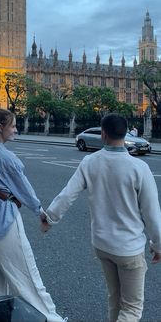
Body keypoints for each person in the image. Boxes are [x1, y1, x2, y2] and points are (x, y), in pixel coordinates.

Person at [41, 113, 161, 322]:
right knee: (132, 309)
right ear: (126, 134)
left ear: (103, 134)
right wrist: (158, 245)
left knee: (115, 300)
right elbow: (151, 213)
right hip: (128, 248)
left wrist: (49, 218)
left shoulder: (90, 162)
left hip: (102, 245)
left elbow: (67, 194)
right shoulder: (139, 167)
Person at [0, 104, 67, 322]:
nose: (16, 129)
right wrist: (41, 213)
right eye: (13, 126)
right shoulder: (6, 158)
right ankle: (51, 318)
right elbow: (26, 191)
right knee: (27, 277)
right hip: (3, 223)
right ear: (1, 127)